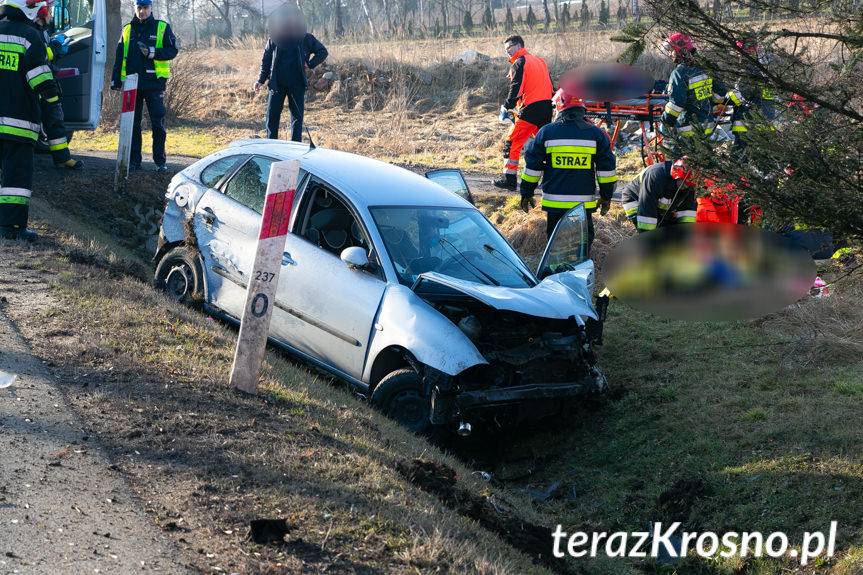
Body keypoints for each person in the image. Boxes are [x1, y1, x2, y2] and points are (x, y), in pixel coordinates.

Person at [519, 72, 617, 247]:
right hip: (583, 205)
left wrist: (526, 193)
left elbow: (533, 167)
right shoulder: (596, 134)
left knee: (555, 248)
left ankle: (555, 274)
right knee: (582, 246)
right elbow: (606, 170)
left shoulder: (546, 132)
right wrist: (606, 196)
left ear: (560, 105)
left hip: (554, 204)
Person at [0, 0, 65, 240]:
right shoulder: (29, 37)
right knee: (15, 182)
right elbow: (41, 81)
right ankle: (11, 229)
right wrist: (53, 97)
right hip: (19, 124)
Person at [110, 0, 177, 172]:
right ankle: (134, 162)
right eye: (139, 8)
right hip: (132, 84)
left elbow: (172, 51)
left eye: (145, 8)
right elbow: (119, 57)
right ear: (135, 8)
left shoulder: (162, 27)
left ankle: (160, 162)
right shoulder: (127, 29)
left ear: (151, 8)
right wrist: (116, 80)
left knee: (158, 123)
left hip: (154, 83)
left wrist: (152, 52)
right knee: (133, 124)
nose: (142, 11)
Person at [255, 7, 328, 142]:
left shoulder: (306, 38)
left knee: (297, 119)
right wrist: (260, 80)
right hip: (277, 85)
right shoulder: (274, 38)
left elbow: (323, 52)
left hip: (297, 84)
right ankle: (271, 147)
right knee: (272, 119)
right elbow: (266, 61)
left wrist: (310, 64)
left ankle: (295, 148)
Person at [494, 34, 553, 191]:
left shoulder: (520, 62)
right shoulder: (540, 61)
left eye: (509, 48)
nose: (507, 51)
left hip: (530, 109)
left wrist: (507, 106)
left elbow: (517, 87)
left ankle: (510, 180)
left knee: (512, 143)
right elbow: (550, 85)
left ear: (519, 46)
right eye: (505, 49)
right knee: (547, 146)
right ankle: (553, 178)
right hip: (546, 108)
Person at [32, 0, 82, 169]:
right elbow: (35, 56)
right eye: (49, 10)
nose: (51, 14)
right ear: (41, 11)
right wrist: (54, 48)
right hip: (33, 84)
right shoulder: (28, 30)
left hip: (46, 80)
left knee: (54, 119)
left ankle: (62, 157)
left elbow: (44, 56)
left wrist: (55, 57)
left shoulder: (42, 30)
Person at [659, 33, 723, 146]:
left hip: (688, 129)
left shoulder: (679, 73)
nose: (670, 54)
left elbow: (676, 105)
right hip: (708, 125)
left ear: (679, 50)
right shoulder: (707, 66)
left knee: (680, 159)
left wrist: (665, 121)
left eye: (671, 50)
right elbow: (720, 95)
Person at [620, 157, 697, 233]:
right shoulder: (656, 175)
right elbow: (647, 212)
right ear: (676, 175)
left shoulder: (690, 183)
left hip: (659, 208)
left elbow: (687, 212)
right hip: (635, 199)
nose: (684, 187)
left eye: (687, 185)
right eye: (683, 183)